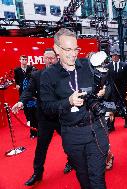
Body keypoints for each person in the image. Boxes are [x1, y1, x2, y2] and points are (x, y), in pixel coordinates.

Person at [40, 28, 109, 189]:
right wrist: (68, 101)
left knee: (97, 178)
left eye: (76, 49)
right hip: (72, 135)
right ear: (57, 49)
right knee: (83, 177)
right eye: (68, 49)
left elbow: (108, 86)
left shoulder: (87, 65)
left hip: (97, 131)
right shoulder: (48, 75)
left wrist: (103, 92)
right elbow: (46, 108)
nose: (73, 54)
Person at [12, 48, 73, 186]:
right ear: (43, 59)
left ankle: (71, 161)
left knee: (68, 142)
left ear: (57, 58)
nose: (50, 60)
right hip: (44, 118)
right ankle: (37, 174)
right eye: (47, 58)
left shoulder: (65, 74)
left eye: (52, 58)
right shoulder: (37, 75)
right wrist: (21, 101)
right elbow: (28, 91)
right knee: (41, 147)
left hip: (61, 116)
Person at [105, 49, 127, 130]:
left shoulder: (125, 65)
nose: (115, 57)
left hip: (123, 90)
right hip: (112, 92)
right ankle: (111, 125)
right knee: (111, 107)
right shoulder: (107, 67)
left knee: (126, 106)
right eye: (113, 55)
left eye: (116, 55)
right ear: (111, 57)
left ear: (119, 56)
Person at [14, 55, 35, 126]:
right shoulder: (17, 69)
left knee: (31, 103)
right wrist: (17, 84)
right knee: (24, 103)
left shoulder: (31, 68)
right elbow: (16, 79)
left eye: (26, 59)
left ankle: (32, 119)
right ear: (20, 60)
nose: (24, 61)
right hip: (22, 89)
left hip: (30, 88)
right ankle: (28, 119)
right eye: (23, 59)